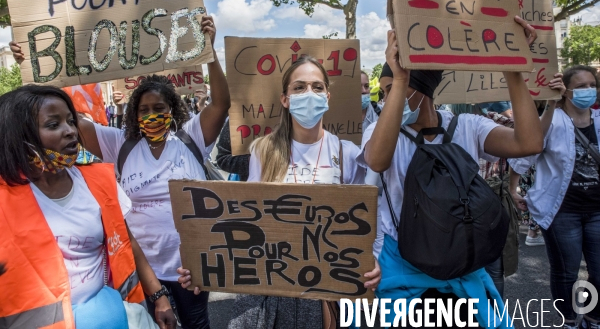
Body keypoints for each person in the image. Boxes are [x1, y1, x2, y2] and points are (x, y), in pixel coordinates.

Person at [9, 15, 229, 329]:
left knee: (197, 324)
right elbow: (71, 121)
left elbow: (221, 103)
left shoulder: (190, 138)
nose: (152, 115)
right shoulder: (120, 144)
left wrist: (210, 50)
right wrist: (37, 67)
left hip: (190, 266)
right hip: (144, 270)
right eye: (144, 110)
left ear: (172, 111)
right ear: (134, 113)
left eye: (159, 109)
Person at [360, 16, 543, 328]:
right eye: (384, 92)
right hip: (406, 279)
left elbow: (529, 142)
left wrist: (514, 69)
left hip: (463, 271)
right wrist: (401, 80)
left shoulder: (467, 127)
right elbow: (377, 161)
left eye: (396, 89)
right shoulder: (379, 133)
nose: (387, 100)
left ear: (425, 90)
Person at [178, 56, 380, 329]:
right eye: (299, 88)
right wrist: (205, 264)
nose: (309, 94)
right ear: (285, 99)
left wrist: (372, 261)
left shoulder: (346, 154)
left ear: (328, 97)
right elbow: (246, 221)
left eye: (317, 87)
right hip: (269, 290)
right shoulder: (263, 151)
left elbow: (367, 222)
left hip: (321, 293)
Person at [0, 85, 176, 329]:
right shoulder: (4, 197)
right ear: (20, 135)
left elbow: (127, 241)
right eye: (53, 125)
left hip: (122, 318)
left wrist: (159, 296)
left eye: (71, 121)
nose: (71, 131)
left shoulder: (99, 181)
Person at [509, 66, 600, 329]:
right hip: (563, 212)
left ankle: (593, 317)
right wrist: (513, 189)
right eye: (580, 86)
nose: (587, 91)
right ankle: (569, 319)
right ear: (567, 90)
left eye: (591, 84)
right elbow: (528, 150)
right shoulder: (554, 119)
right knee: (567, 273)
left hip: (597, 210)